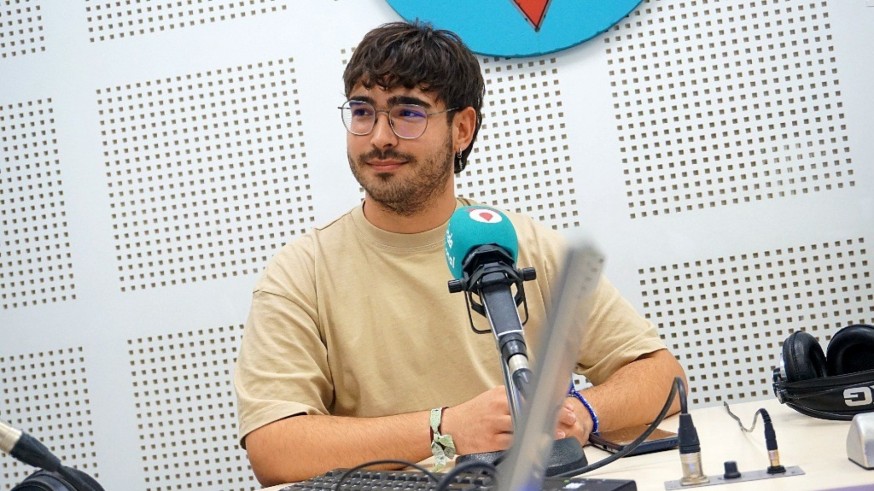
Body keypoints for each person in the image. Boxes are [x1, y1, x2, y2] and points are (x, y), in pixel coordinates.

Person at [233, 21, 687, 486]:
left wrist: (583, 413)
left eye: (408, 113)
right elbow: (274, 448)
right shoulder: (300, 273)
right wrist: (444, 429)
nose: (379, 137)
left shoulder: (522, 243)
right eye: (363, 111)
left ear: (462, 128)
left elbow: (663, 378)